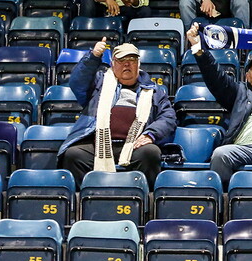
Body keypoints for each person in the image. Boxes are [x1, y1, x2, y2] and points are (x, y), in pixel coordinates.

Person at [185, 24, 252, 185]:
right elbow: (216, 76)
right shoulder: (239, 92)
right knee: (220, 154)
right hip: (241, 147)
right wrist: (198, 48)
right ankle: (222, 205)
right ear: (248, 76)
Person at [58, 39, 176, 188]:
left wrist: (150, 134)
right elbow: (77, 82)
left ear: (138, 64)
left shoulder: (154, 91)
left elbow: (168, 116)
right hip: (99, 143)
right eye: (121, 60)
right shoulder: (98, 84)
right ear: (113, 63)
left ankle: (145, 201)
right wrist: (94, 56)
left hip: (134, 146)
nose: (127, 64)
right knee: (74, 154)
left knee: (150, 152)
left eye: (131, 60)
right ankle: (87, 200)